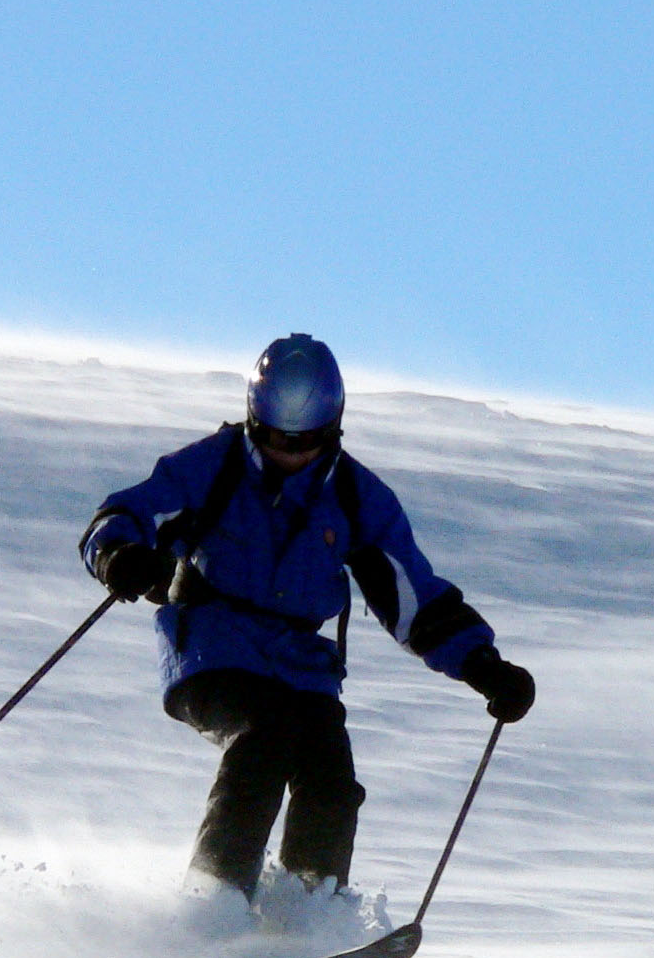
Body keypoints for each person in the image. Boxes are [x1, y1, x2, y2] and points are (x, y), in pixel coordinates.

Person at [79, 334, 534, 902]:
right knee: (261, 742)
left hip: (300, 664)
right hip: (211, 645)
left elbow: (412, 597)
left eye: (308, 441)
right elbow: (122, 515)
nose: (288, 453)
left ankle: (305, 916)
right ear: (252, 419)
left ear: (334, 428)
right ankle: (213, 903)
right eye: (273, 438)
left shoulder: (357, 497)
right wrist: (120, 556)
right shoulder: (212, 466)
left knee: (330, 783)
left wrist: (482, 665)